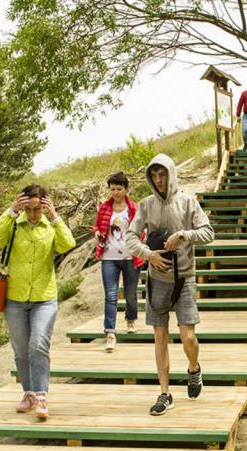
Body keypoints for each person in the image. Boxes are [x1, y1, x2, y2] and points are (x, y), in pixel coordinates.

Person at [126, 153, 215, 416]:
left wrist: (184, 234)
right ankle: (164, 393)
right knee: (160, 337)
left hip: (184, 278)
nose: (159, 179)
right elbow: (131, 236)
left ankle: (193, 369)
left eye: (162, 174)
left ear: (171, 174)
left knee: (188, 336)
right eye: (154, 175)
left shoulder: (188, 202)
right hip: (156, 280)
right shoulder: (146, 205)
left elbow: (208, 232)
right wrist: (147, 254)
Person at [0, 184, 76, 420]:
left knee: (38, 344)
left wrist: (55, 216)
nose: (34, 214)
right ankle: (28, 393)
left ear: (45, 206)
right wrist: (11, 211)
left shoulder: (50, 227)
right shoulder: (14, 226)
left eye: (38, 209)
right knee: (21, 350)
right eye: (30, 209)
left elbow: (68, 244)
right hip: (14, 298)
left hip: (44, 298)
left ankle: (42, 396)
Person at [92, 172, 144, 352]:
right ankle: (110, 333)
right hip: (109, 257)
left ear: (126, 189)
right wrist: (97, 233)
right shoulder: (105, 208)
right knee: (111, 296)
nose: (115, 192)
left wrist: (139, 244)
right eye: (112, 189)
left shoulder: (134, 208)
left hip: (131, 257)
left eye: (119, 189)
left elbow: (142, 229)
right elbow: (97, 226)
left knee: (130, 294)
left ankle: (131, 319)